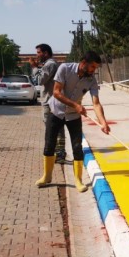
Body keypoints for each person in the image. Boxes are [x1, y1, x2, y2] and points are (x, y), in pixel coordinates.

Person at [35, 50, 110, 192]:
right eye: (93, 67)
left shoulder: (91, 80)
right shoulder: (65, 68)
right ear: (83, 63)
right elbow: (56, 92)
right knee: (49, 144)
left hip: (73, 117)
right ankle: (47, 176)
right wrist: (75, 105)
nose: (94, 71)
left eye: (96, 68)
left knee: (77, 147)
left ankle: (78, 180)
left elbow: (96, 103)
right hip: (55, 111)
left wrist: (103, 122)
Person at [30, 44, 66, 163]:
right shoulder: (50, 64)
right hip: (52, 100)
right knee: (56, 127)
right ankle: (58, 152)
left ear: (45, 53)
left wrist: (34, 67)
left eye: (39, 53)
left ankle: (59, 153)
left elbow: (40, 80)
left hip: (51, 101)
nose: (37, 55)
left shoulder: (50, 64)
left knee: (53, 127)